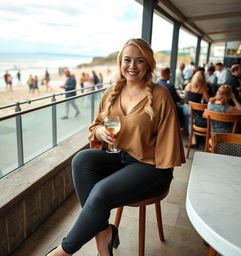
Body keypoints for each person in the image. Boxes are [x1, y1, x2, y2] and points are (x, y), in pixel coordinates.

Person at [45, 38, 185, 256]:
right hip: (120, 157)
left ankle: (62, 252)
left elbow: (170, 144)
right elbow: (96, 126)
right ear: (120, 63)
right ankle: (104, 234)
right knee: (81, 160)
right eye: (127, 60)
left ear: (148, 64)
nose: (132, 66)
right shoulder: (112, 92)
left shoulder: (160, 95)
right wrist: (100, 131)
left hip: (151, 167)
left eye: (139, 61)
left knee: (101, 192)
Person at [183, 70, 210, 146]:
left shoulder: (188, 85)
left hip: (186, 108)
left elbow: (185, 97)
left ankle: (192, 139)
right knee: (197, 119)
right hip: (195, 111)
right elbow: (208, 101)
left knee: (189, 121)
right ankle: (197, 138)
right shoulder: (202, 88)